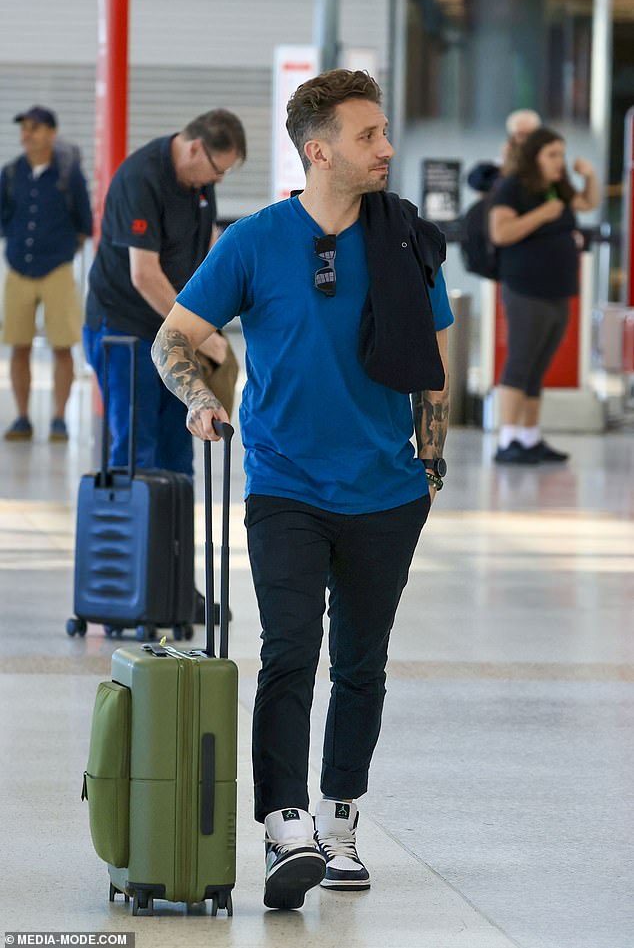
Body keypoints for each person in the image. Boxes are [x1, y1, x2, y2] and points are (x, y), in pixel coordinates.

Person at [151, 68, 453, 911]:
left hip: (386, 493)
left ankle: (341, 816)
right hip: (285, 484)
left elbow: (435, 366)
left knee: (361, 664)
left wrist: (430, 465)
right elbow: (176, 338)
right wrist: (201, 398)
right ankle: (286, 823)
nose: (386, 148)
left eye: (385, 131)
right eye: (369, 137)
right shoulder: (254, 241)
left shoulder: (405, 239)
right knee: (289, 649)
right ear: (320, 152)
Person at [83, 108, 246, 477]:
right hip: (125, 330)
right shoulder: (141, 178)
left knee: (178, 450)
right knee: (136, 452)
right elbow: (144, 275)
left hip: (168, 333)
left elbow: (207, 247)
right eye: (218, 168)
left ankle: (172, 536)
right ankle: (135, 534)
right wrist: (197, 337)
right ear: (194, 149)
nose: (218, 179)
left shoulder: (200, 184)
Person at [489, 126, 600, 464]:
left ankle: (529, 436)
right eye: (552, 155)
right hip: (526, 289)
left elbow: (589, 201)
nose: (559, 162)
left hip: (558, 291)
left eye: (562, 155)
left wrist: (590, 175)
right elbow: (500, 232)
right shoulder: (513, 188)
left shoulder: (557, 189)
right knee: (520, 362)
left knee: (538, 367)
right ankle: (507, 439)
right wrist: (541, 215)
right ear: (534, 156)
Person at [0, 105, 93, 442]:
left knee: (62, 346)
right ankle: (22, 417)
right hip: (18, 270)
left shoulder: (68, 174)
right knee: (18, 345)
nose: (27, 134)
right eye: (24, 127)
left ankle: (59, 418)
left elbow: (85, 222)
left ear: (52, 133)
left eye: (35, 128)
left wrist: (64, 250)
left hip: (57, 270)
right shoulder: (11, 173)